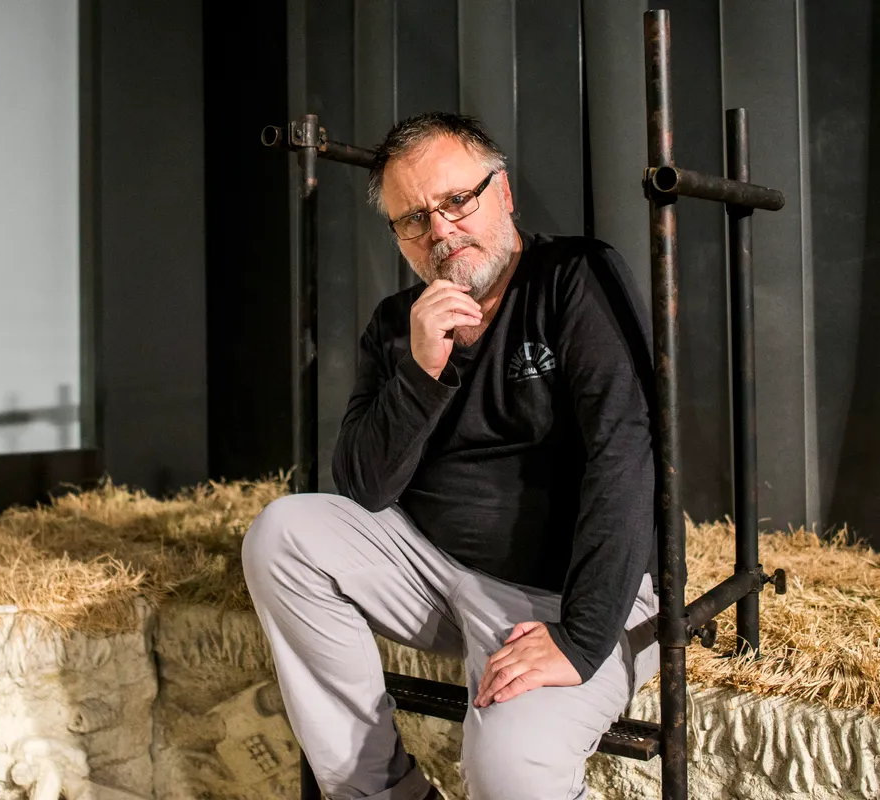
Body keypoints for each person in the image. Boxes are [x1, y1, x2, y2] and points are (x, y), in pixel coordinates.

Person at [241, 111, 661, 800]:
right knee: (282, 533)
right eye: (413, 218)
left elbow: (626, 452)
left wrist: (581, 638)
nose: (439, 230)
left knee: (511, 773)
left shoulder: (573, 276)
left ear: (504, 193)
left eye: (457, 200)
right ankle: (380, 794)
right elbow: (364, 488)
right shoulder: (397, 323)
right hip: (429, 574)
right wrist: (420, 369)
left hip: (558, 595)